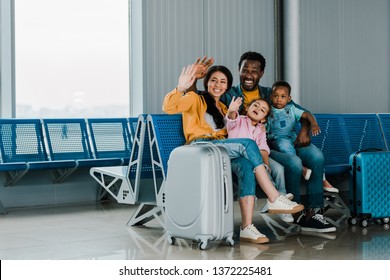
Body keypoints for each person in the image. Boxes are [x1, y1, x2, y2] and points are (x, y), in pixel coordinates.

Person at [163, 63, 304, 244]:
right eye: (213, 80)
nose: (217, 85)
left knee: (245, 165)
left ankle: (246, 227)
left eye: (222, 81)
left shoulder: (223, 107)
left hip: (219, 153)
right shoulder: (194, 98)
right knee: (247, 144)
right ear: (206, 82)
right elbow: (169, 107)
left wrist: (255, 126)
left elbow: (234, 130)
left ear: (227, 86)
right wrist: (181, 87)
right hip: (200, 148)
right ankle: (274, 196)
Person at [220, 51, 336, 233]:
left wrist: (305, 130)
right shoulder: (230, 95)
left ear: (262, 73)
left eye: (255, 70)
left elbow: (300, 111)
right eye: (245, 70)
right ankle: (297, 212)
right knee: (294, 162)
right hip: (259, 146)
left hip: (280, 141)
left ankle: (314, 212)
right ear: (239, 70)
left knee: (316, 156)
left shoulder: (271, 93)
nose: (249, 74)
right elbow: (220, 110)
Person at [225, 96, 294, 223]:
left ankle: (282, 200)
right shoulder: (239, 120)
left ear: (263, 119)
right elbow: (231, 119)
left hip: (256, 157)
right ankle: (276, 197)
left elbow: (263, 148)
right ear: (247, 108)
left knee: (278, 168)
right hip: (240, 157)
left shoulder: (260, 130)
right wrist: (232, 110)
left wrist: (266, 165)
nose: (258, 108)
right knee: (262, 166)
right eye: (256, 105)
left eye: (262, 110)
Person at [267, 81, 321, 183]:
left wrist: (314, 124)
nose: (279, 99)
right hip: (277, 139)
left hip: (292, 137)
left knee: (315, 153)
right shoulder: (268, 111)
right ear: (271, 97)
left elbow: (307, 114)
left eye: (283, 97)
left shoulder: (292, 109)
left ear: (289, 99)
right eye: (275, 96)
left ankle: (321, 176)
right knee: (284, 145)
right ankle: (301, 169)